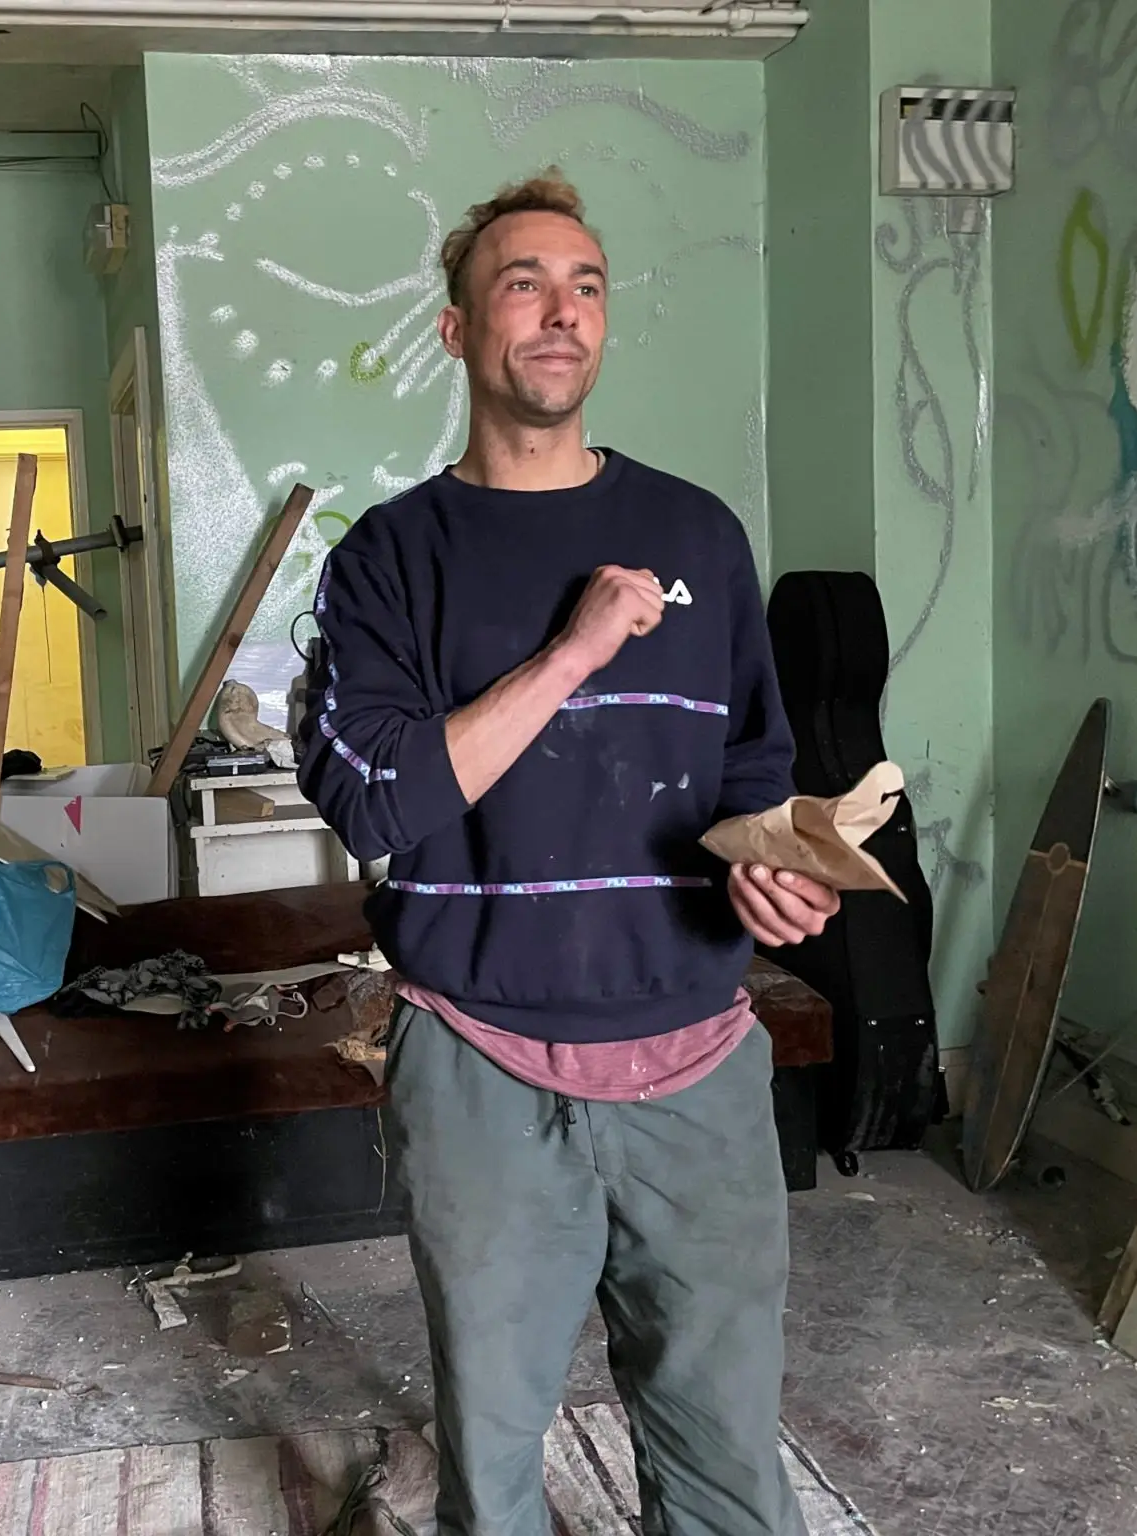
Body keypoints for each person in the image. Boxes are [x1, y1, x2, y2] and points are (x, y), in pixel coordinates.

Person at [295, 169, 839, 1536]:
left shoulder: (698, 535)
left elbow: (752, 773)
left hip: (699, 1063)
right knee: (494, 1455)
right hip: (481, 1065)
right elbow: (373, 802)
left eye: (585, 286)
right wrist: (572, 655)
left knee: (726, 1450)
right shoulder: (391, 559)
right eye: (522, 284)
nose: (560, 312)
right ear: (457, 329)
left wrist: (773, 871)